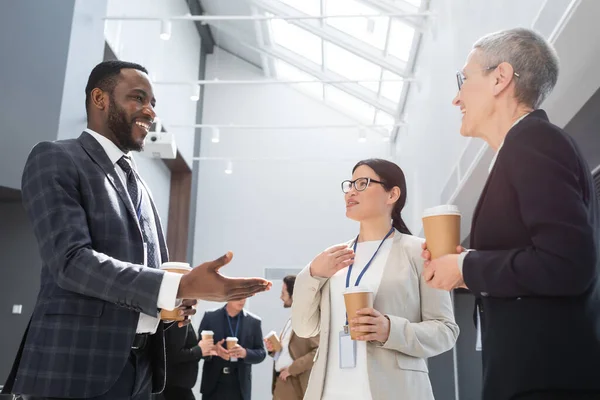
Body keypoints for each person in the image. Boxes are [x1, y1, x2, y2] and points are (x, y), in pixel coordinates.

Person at [3, 60, 270, 400]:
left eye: (153, 103)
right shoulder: (56, 158)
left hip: (141, 370)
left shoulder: (139, 183)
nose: (150, 112)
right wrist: (176, 284)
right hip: (73, 368)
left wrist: (176, 301)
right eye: (138, 98)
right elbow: (70, 261)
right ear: (100, 99)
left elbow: (150, 275)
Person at [422, 28, 600, 400]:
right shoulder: (521, 148)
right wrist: (465, 267)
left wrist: (468, 268)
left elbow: (568, 265)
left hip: (545, 380)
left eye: (464, 79)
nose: (457, 98)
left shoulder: (535, 142)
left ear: (500, 78)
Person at [292, 159, 459, 400]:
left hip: (396, 391)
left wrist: (390, 330)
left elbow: (445, 331)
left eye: (362, 183)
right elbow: (304, 327)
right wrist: (312, 275)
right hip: (329, 391)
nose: (350, 191)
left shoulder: (419, 252)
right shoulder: (332, 258)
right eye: (349, 184)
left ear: (392, 194)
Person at [197, 299, 266, 400]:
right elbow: (198, 348)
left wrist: (245, 353)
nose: (242, 300)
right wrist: (214, 350)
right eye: (238, 296)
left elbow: (261, 353)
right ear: (229, 296)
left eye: (245, 296)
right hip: (214, 385)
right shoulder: (210, 317)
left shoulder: (254, 322)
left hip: (239, 387)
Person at [264, 275, 319, 400]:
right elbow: (291, 351)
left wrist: (292, 369)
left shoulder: (307, 320)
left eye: (283, 292)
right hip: (282, 382)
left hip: (294, 382)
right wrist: (274, 350)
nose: (281, 297)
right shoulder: (292, 320)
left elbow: (318, 352)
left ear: (294, 295)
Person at [160, 324, 202, 400]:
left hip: (181, 386)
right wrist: (200, 349)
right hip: (174, 387)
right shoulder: (178, 319)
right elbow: (174, 354)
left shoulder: (186, 319)